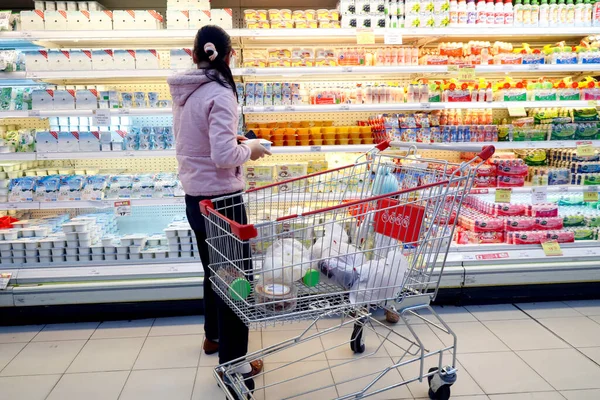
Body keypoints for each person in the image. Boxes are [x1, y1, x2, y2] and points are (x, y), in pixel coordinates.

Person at [168, 25, 270, 397]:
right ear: (228, 56)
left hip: (196, 199)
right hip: (224, 202)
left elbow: (200, 140)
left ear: (194, 54)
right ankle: (235, 362)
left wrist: (238, 139)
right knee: (237, 282)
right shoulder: (222, 93)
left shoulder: (186, 90)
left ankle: (213, 337)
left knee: (213, 273)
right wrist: (252, 150)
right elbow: (223, 156)